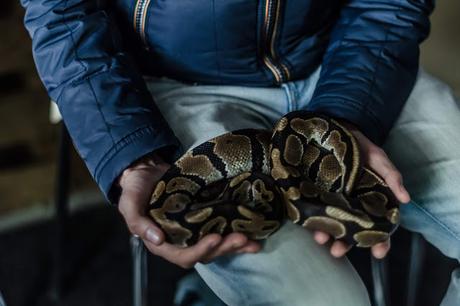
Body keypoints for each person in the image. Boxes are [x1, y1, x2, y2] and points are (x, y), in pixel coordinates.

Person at [21, 0, 459, 305]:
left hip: (349, 59)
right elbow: (61, 13)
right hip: (172, 82)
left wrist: (350, 110)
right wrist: (132, 153)